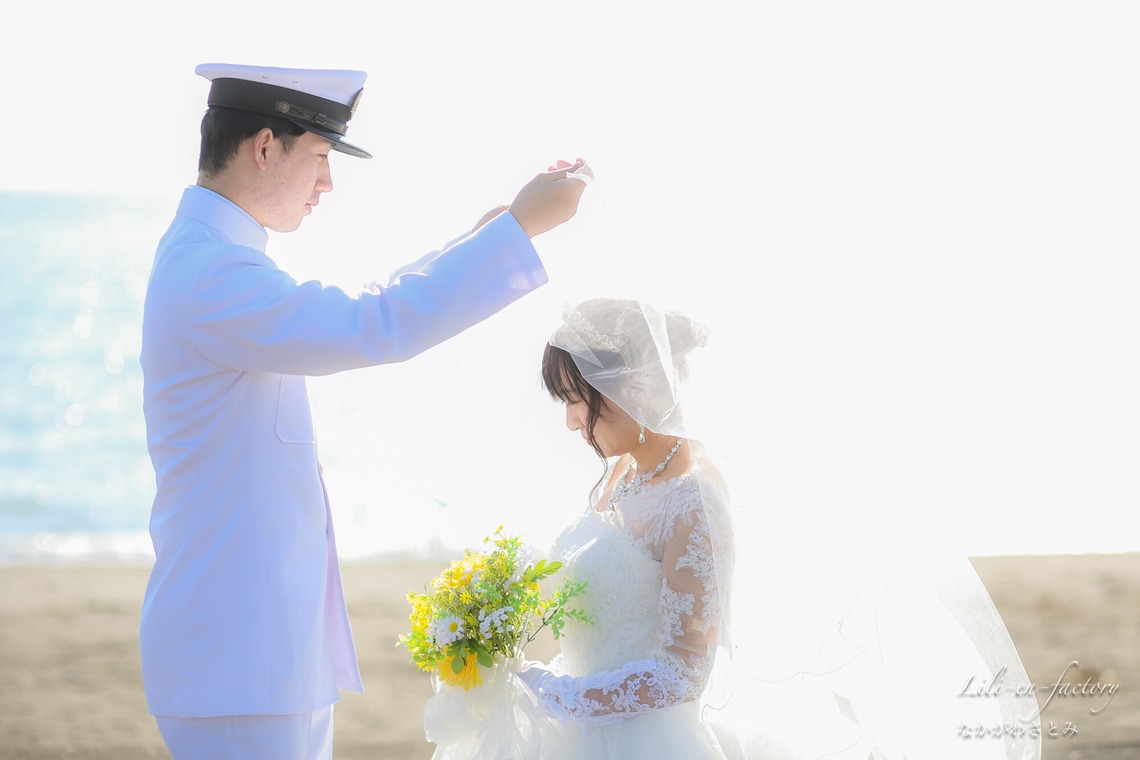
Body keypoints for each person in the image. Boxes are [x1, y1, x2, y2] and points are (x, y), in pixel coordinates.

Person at [138, 62, 589, 760]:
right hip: (239, 662)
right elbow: (372, 324)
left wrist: (485, 242)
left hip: (253, 659)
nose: (327, 183)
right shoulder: (214, 272)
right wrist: (520, 230)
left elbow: (362, 306)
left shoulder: (216, 258)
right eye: (319, 157)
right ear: (264, 147)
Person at [427, 298, 1043, 759]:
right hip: (577, 727)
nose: (570, 422)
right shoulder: (620, 474)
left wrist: (558, 696)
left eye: (576, 399)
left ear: (630, 383)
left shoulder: (694, 497)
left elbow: (683, 672)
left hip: (643, 741)